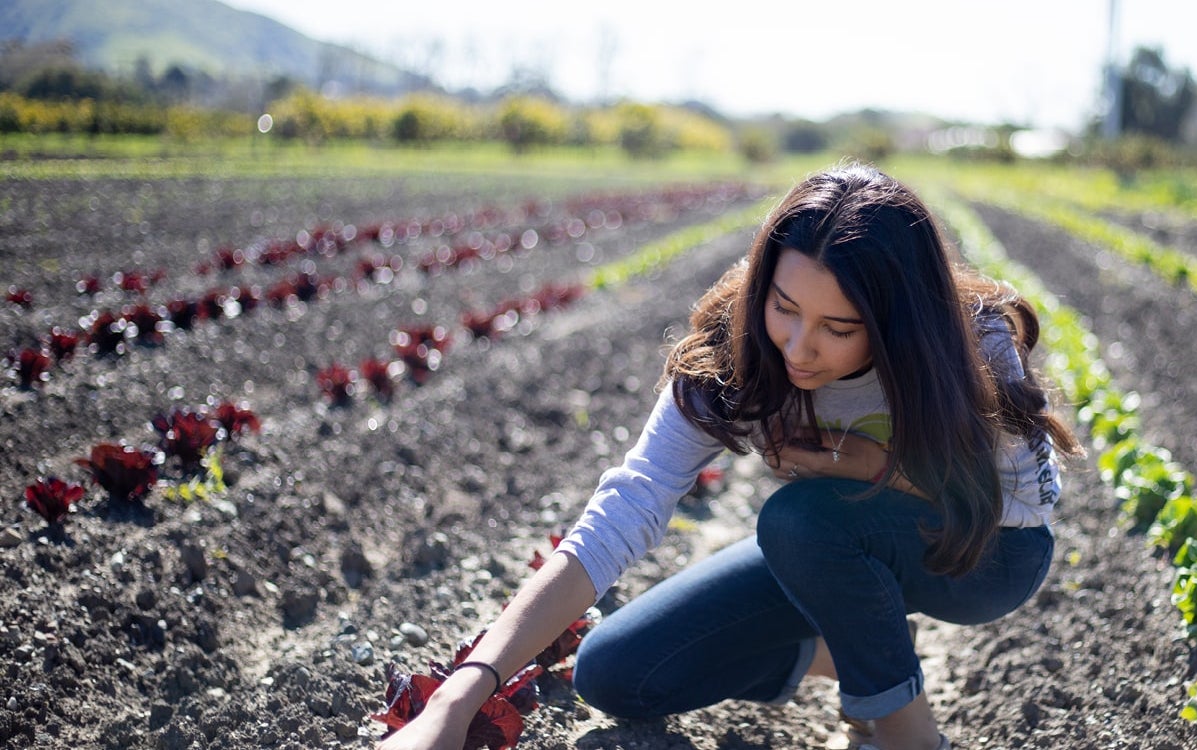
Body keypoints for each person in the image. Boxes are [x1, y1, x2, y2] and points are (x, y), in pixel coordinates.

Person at [376, 162, 1082, 750]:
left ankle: (904, 730)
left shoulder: (973, 343)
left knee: (798, 519)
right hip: (842, 548)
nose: (800, 348)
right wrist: (458, 697)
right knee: (616, 672)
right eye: (784, 307)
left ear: (897, 317)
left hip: (985, 560)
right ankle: (854, 648)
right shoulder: (733, 348)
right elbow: (628, 505)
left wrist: (857, 462)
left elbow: (1022, 509)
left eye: (839, 328)